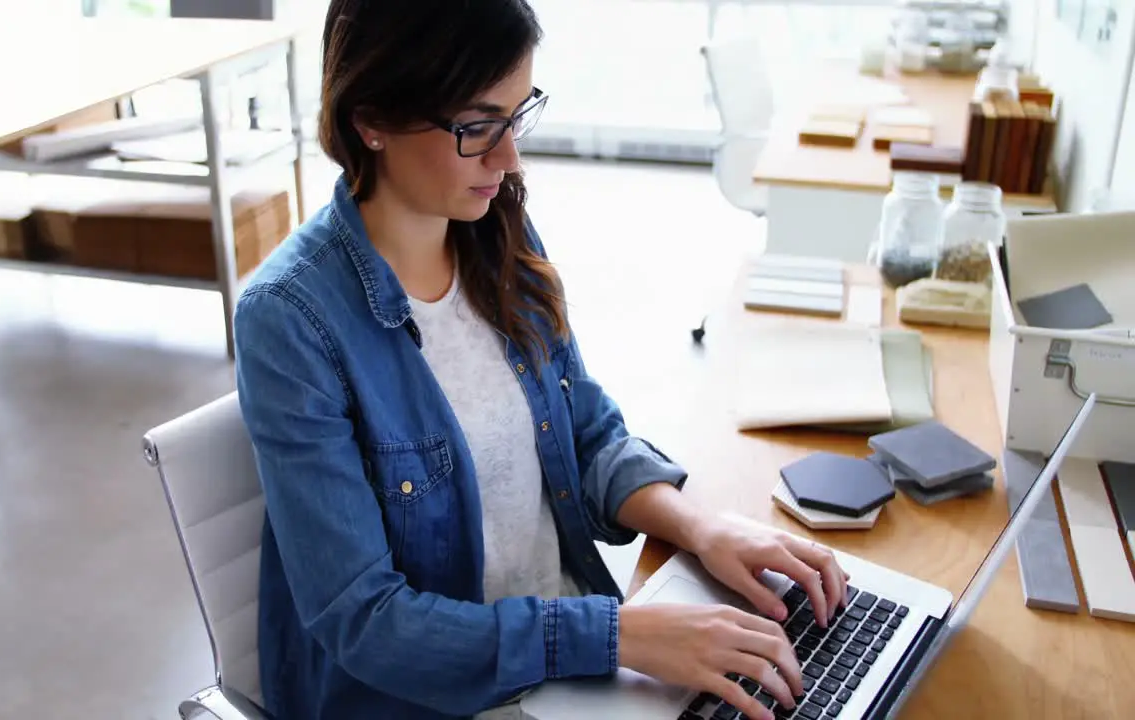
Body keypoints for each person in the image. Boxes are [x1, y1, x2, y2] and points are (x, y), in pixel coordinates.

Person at [232, 2, 850, 718]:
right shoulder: (290, 321)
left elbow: (583, 433)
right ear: (371, 119)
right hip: (433, 698)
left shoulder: (495, 226)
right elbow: (368, 624)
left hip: (568, 665)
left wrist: (701, 528)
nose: (509, 159)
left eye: (516, 116)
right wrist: (618, 633)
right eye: (476, 127)